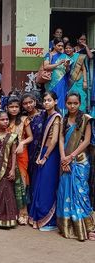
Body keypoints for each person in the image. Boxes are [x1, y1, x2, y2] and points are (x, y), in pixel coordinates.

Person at [57, 92, 95, 241]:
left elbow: (86, 141)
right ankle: (68, 226)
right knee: (65, 191)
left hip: (80, 161)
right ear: (65, 103)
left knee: (81, 193)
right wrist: (63, 158)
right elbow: (60, 139)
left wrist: (71, 157)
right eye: (69, 103)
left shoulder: (86, 119)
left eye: (75, 103)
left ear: (80, 103)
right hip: (65, 160)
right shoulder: (63, 119)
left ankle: (88, 227)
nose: (72, 106)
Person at [29, 91, 61, 231]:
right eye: (45, 100)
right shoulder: (44, 116)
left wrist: (45, 157)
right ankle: (38, 217)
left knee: (46, 186)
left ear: (55, 102)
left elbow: (54, 140)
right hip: (42, 152)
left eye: (49, 100)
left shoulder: (56, 117)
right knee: (39, 185)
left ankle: (48, 220)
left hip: (51, 155)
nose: (46, 102)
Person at [7, 96, 33, 225]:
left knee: (21, 183)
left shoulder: (24, 120)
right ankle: (12, 212)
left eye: (16, 107)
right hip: (8, 155)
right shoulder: (4, 120)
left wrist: (22, 142)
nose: (14, 109)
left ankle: (23, 213)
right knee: (10, 183)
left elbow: (30, 137)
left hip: (21, 154)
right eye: (11, 107)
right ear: (7, 108)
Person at [44, 38, 70, 114]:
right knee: (50, 99)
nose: (61, 47)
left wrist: (67, 66)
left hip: (62, 82)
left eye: (62, 46)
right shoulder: (49, 55)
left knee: (61, 100)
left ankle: (61, 118)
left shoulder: (65, 56)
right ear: (54, 45)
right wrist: (58, 63)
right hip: (51, 82)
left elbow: (68, 71)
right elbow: (46, 67)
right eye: (59, 45)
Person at [64, 41, 88, 112]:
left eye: (70, 48)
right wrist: (67, 66)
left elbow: (83, 69)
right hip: (70, 82)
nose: (68, 49)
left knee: (82, 98)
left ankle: (82, 117)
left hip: (80, 81)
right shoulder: (64, 57)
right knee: (71, 99)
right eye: (66, 48)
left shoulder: (79, 56)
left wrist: (85, 81)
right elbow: (67, 71)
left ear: (73, 48)